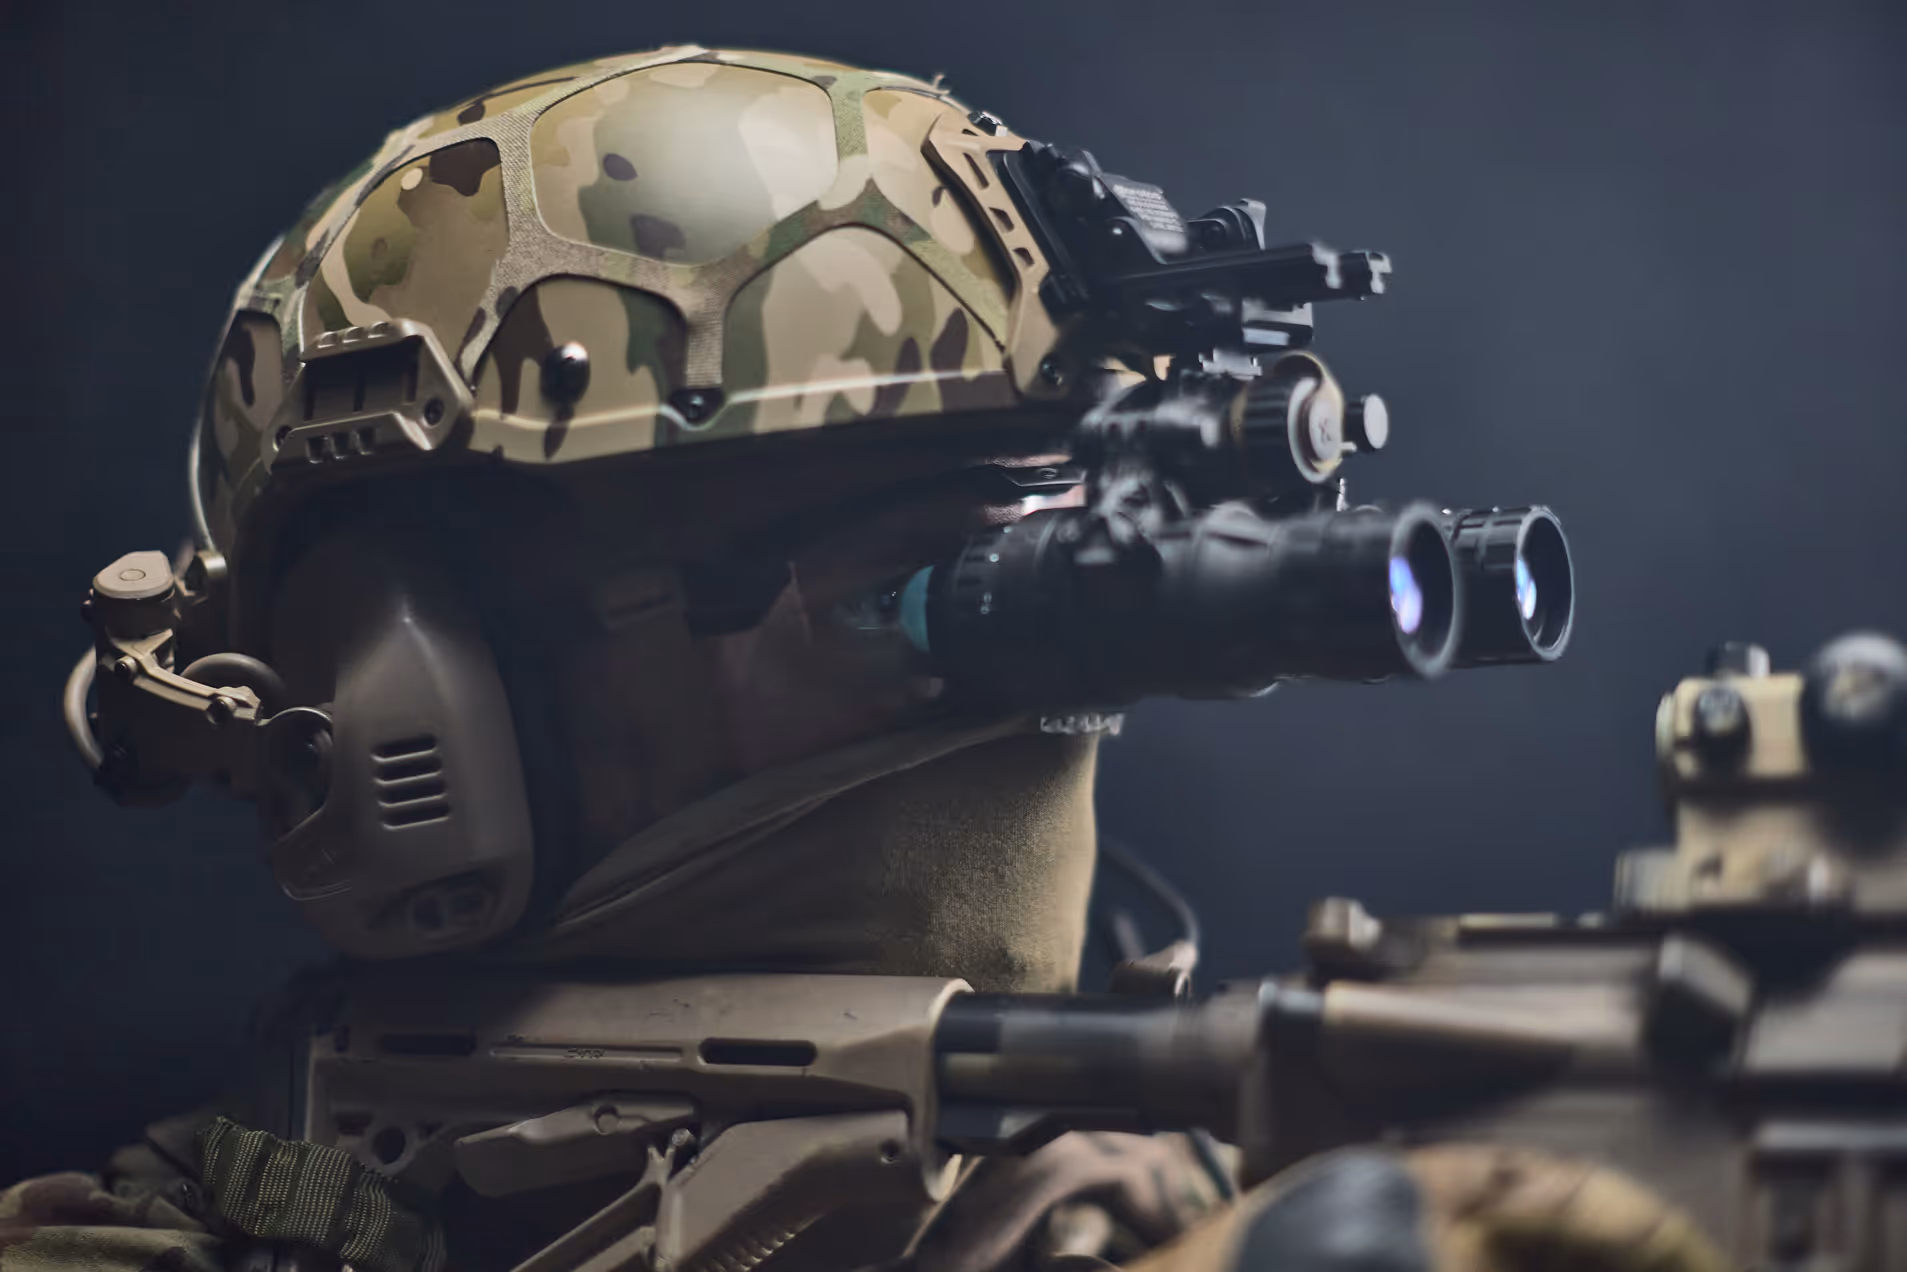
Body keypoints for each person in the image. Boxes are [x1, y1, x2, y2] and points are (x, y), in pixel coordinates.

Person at [12, 45, 1725, 1272]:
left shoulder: (1221, 1201)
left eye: (1044, 529)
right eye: (899, 568)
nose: (1012, 649)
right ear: (402, 694)